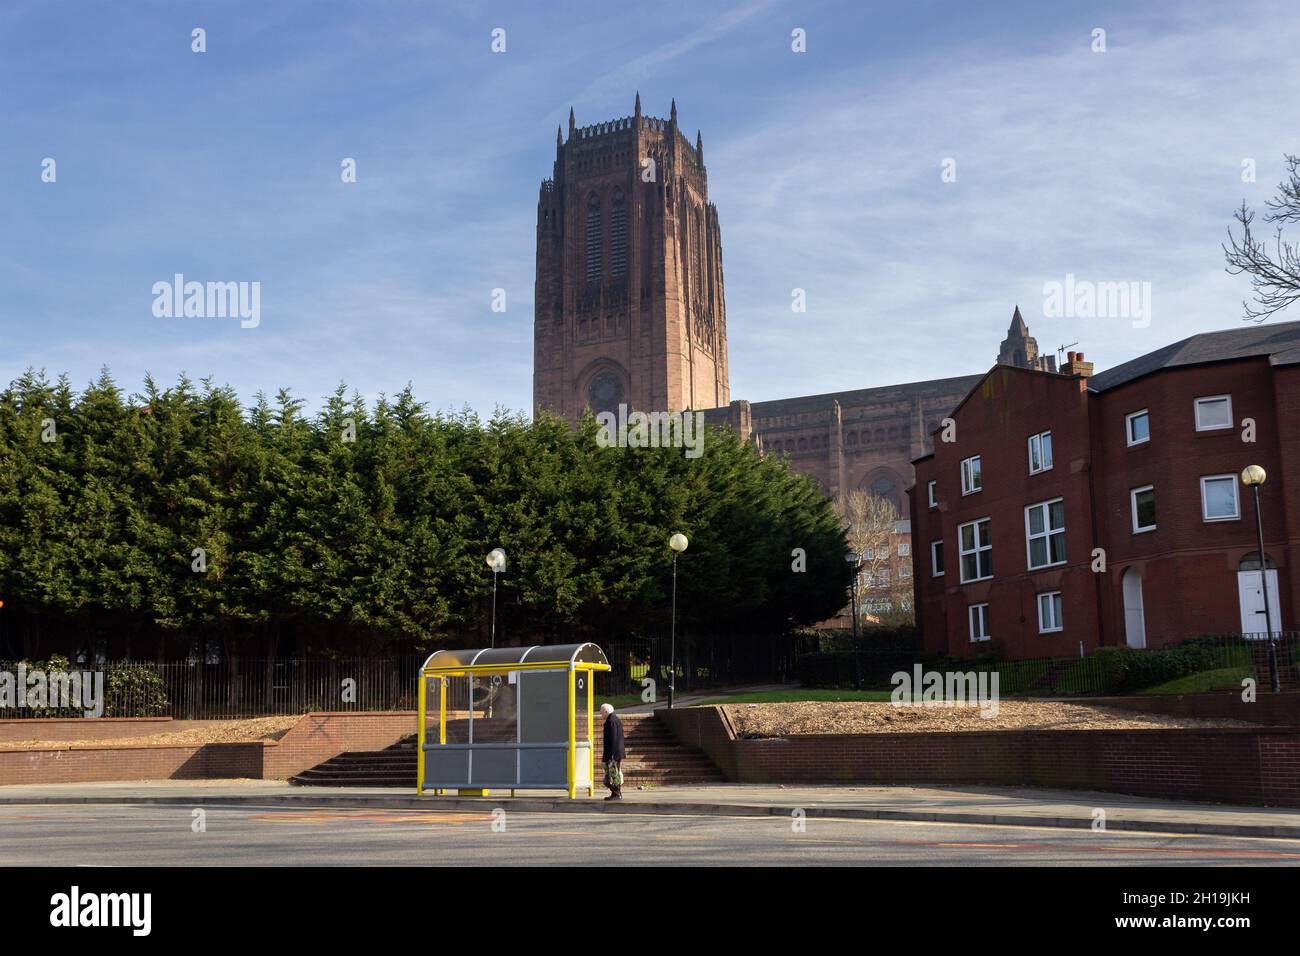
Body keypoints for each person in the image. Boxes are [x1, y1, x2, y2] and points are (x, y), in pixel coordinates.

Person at [600, 702, 625, 800]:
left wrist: (612, 756)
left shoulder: (611, 721)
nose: (601, 714)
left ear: (606, 711)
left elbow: (614, 738)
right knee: (614, 774)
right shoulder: (615, 719)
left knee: (614, 774)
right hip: (615, 753)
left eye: (601, 712)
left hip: (613, 754)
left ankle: (616, 794)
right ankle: (615, 793)